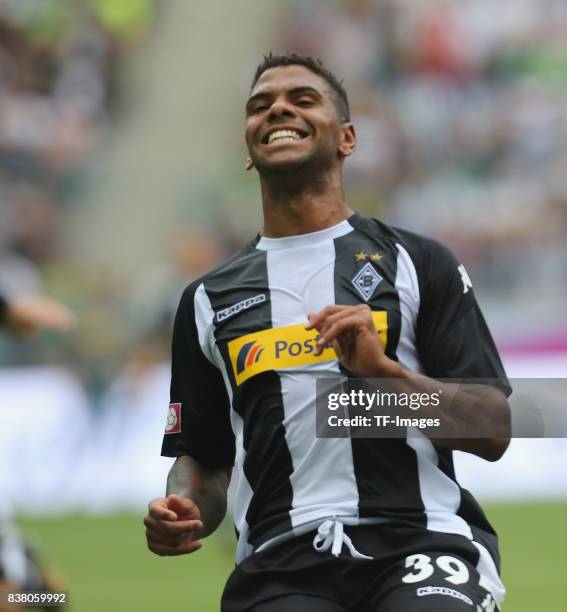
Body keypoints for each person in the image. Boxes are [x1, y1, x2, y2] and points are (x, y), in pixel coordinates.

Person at [144, 52, 511, 612]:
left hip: (420, 544)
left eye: (302, 99)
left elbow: (494, 429)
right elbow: (204, 457)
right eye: (260, 106)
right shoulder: (206, 299)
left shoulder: (418, 262)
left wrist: (382, 374)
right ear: (248, 151)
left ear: (347, 139)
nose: (278, 110)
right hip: (280, 565)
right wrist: (184, 506)